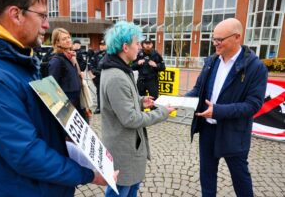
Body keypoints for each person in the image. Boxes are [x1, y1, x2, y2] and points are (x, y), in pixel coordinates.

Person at [0, 0, 116, 196]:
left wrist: (74, 137)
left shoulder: (21, 59)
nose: (47, 25)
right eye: (43, 16)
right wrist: (88, 175)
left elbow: (37, 119)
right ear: (16, 14)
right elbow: (26, 153)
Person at [185, 18, 268, 197]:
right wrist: (179, 101)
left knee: (240, 178)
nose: (215, 43)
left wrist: (218, 111)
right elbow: (199, 89)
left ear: (237, 37)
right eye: (214, 39)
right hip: (207, 129)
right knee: (207, 176)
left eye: (220, 40)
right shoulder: (211, 62)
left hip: (234, 132)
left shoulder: (256, 68)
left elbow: (253, 105)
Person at [99, 21, 175, 197]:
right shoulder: (116, 76)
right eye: (136, 43)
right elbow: (130, 119)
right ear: (125, 47)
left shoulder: (120, 69)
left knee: (131, 188)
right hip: (124, 149)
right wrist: (162, 112)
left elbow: (122, 101)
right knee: (120, 190)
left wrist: (141, 101)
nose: (139, 47)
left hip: (129, 147)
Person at [48, 28, 90, 124]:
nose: (68, 40)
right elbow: (52, 90)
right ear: (57, 43)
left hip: (78, 105)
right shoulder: (56, 61)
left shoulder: (71, 58)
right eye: (64, 39)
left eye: (68, 37)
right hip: (67, 109)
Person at [88, 40, 107, 114]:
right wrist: (93, 73)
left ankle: (107, 108)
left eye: (103, 45)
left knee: (107, 92)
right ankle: (99, 107)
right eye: (101, 45)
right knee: (99, 92)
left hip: (106, 77)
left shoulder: (110, 54)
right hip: (98, 77)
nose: (102, 46)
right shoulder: (96, 54)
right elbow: (91, 65)